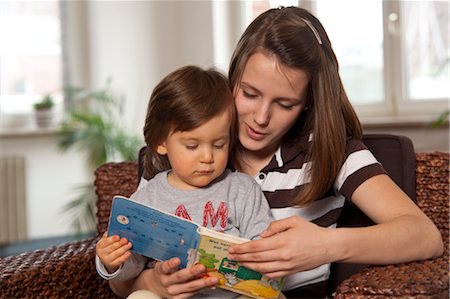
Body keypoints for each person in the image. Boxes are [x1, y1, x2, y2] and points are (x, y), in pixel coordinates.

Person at [108, 6, 444, 299]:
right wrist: (155, 282)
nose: (261, 117)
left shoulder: (332, 152)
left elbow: (424, 236)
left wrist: (324, 246)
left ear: (309, 101)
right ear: (233, 76)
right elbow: (124, 277)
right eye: (249, 93)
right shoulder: (186, 152)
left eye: (285, 103)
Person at [95, 65, 274, 298]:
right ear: (161, 142)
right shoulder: (148, 198)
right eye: (192, 146)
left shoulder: (241, 189)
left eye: (219, 144)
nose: (208, 157)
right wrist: (111, 261)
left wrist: (258, 257)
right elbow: (132, 266)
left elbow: (264, 242)